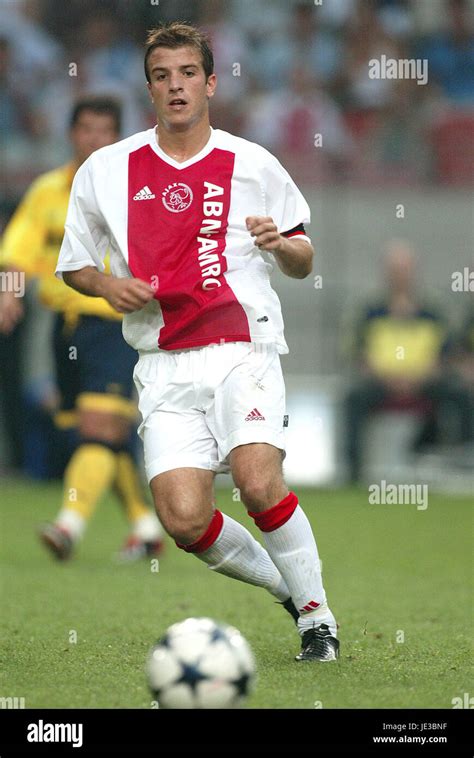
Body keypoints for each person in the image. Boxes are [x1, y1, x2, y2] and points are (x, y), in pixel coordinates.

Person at [56, 23, 338, 662]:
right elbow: (74, 263)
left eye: (188, 73)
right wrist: (106, 284)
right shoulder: (105, 170)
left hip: (244, 345)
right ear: (149, 88)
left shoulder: (254, 162)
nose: (176, 86)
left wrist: (282, 245)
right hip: (162, 360)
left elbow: (304, 257)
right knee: (182, 519)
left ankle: (318, 621)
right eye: (162, 76)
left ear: (210, 82)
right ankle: (292, 592)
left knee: (257, 480)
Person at [0, 95, 164, 561]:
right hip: (65, 328)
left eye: (104, 131)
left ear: (118, 137)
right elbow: (17, 250)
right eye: (86, 129)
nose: (94, 139)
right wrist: (9, 290)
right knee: (102, 436)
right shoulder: (47, 191)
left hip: (115, 325)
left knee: (97, 429)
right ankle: (146, 526)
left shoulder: (135, 189)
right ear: (71, 134)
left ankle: (67, 526)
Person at [344, 239, 472, 482]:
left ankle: (462, 464)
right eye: (395, 270)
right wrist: (388, 378)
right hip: (381, 382)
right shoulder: (369, 310)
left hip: (425, 381)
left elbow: (446, 354)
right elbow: (358, 353)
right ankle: (353, 474)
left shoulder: (433, 310)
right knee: (353, 397)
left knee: (459, 394)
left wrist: (420, 377)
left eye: (404, 270)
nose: (400, 276)